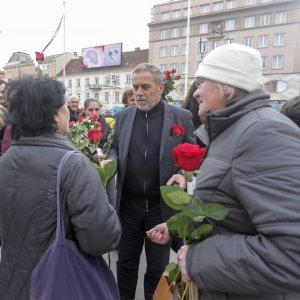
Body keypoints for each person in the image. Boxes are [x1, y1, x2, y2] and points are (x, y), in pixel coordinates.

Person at [147, 43, 300, 300]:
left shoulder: (264, 133)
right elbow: (229, 208)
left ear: (227, 85)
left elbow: (291, 253)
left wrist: (198, 259)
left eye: (201, 82)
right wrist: (175, 227)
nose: (195, 92)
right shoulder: (235, 129)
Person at [0, 76, 121, 300]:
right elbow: (100, 239)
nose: (68, 110)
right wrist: (109, 211)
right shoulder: (73, 164)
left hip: (11, 283)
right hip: (56, 284)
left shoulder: (4, 162)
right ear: (55, 116)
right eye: (65, 105)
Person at [101, 63, 196, 300]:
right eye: (135, 87)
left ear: (160, 87)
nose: (139, 92)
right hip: (129, 206)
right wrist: (109, 162)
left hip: (161, 208)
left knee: (157, 268)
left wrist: (184, 175)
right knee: (125, 264)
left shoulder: (181, 118)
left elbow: (193, 154)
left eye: (145, 86)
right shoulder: (122, 117)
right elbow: (114, 148)